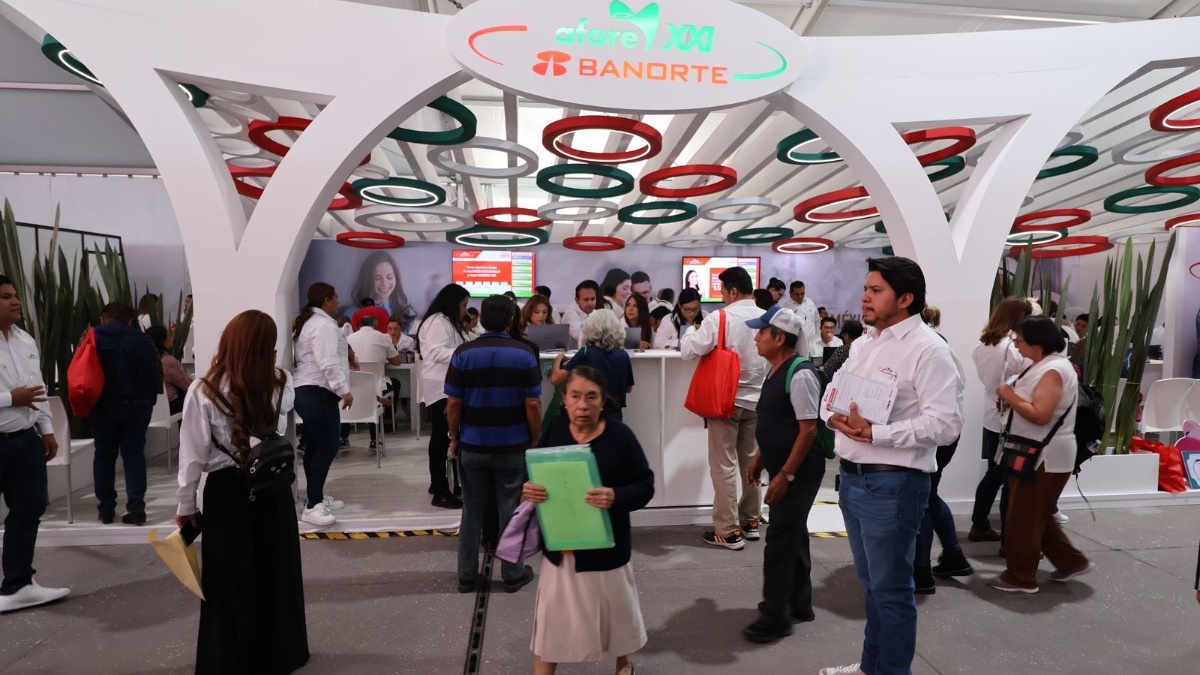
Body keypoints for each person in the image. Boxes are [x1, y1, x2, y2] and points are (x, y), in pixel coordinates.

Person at [818, 257, 963, 675]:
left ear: (905, 298)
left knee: (893, 590)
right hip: (853, 478)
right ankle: (872, 666)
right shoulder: (864, 343)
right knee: (873, 585)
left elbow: (946, 425)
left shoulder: (929, 349)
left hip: (894, 483)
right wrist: (836, 419)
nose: (864, 297)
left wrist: (876, 434)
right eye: (866, 288)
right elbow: (831, 398)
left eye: (876, 290)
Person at [175, 310, 308, 675]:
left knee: (228, 578)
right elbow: (280, 427)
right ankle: (282, 652)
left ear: (228, 341)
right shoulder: (282, 382)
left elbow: (192, 456)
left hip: (226, 494)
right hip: (273, 490)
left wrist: (186, 504)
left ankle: (231, 657)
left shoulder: (203, 390)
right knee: (277, 572)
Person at [524, 366, 654, 675]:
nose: (582, 405)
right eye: (575, 396)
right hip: (561, 548)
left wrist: (615, 496)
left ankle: (624, 664)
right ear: (564, 399)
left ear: (603, 401)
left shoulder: (620, 436)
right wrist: (529, 489)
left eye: (591, 397)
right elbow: (535, 473)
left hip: (606, 551)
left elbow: (645, 486)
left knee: (617, 620)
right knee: (550, 628)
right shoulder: (555, 429)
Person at [989, 316, 1093, 594]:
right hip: (1036, 453)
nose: (1016, 345)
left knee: (1023, 518)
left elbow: (1041, 414)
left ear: (1038, 342)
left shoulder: (1054, 369)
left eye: (1020, 340)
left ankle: (1021, 576)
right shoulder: (1043, 366)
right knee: (1035, 515)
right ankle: (1071, 562)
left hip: (1045, 456)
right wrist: (1009, 400)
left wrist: (1009, 395)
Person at [445, 296, 542, 595]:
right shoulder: (525, 354)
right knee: (510, 510)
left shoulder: (463, 353)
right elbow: (533, 402)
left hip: (473, 445)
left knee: (471, 511)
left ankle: (466, 576)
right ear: (511, 321)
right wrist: (535, 437)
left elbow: (453, 402)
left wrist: (454, 437)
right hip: (512, 445)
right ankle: (512, 573)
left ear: (483, 320)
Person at [741, 307, 825, 644]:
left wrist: (785, 476)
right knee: (793, 534)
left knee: (778, 539)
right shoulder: (775, 370)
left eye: (762, 332)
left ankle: (775, 618)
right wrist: (760, 457)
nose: (756, 338)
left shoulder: (800, 374)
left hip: (799, 473)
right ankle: (799, 604)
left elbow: (808, 430)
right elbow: (775, 420)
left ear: (779, 338)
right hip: (783, 468)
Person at [681, 267, 766, 550]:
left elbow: (689, 350)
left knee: (724, 465)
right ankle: (750, 521)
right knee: (752, 463)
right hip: (758, 400)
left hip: (725, 401)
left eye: (723, 292)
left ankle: (728, 531)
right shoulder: (767, 318)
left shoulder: (720, 318)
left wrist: (690, 332)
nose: (722, 297)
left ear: (733, 291)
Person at [0, 274, 70, 613]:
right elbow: (19, 395)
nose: (15, 301)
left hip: (26, 440)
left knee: (30, 508)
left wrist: (46, 429)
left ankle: (19, 584)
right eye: (5, 296)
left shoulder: (25, 339)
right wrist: (9, 399)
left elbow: (38, 388)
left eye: (15, 294)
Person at [913, 305, 972, 594]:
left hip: (934, 436)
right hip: (942, 436)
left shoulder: (930, 346)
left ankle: (921, 571)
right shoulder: (936, 342)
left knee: (922, 498)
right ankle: (952, 555)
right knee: (928, 494)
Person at [91, 301, 162, 526]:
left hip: (103, 406)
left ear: (103, 318)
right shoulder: (142, 339)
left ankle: (106, 509)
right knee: (134, 455)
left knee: (104, 455)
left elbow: (81, 369)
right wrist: (150, 399)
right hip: (138, 405)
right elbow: (156, 370)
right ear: (130, 320)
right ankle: (136, 508)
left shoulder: (93, 336)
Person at [969, 297, 1033, 545]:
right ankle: (1010, 538)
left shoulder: (982, 345)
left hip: (992, 415)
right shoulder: (1014, 348)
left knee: (995, 472)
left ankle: (980, 524)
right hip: (1012, 417)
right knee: (1010, 479)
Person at [292, 282, 353, 526]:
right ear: (326, 300)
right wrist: (344, 390)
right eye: (336, 296)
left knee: (316, 446)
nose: (338, 301)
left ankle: (314, 497)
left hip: (308, 391)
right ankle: (313, 506)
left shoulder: (313, 322)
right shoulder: (324, 325)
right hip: (317, 391)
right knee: (328, 447)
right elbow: (327, 361)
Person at [417, 283, 471, 509]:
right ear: (453, 302)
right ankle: (440, 491)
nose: (465, 310)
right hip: (440, 385)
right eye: (464, 305)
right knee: (441, 437)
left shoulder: (447, 322)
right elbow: (437, 352)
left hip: (446, 383)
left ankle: (437, 483)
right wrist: (466, 352)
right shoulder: (437, 322)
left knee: (442, 436)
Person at [551, 310, 635, 421]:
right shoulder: (623, 355)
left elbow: (556, 378)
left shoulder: (586, 353)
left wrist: (558, 359)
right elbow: (628, 388)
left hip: (590, 414)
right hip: (615, 415)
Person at [346, 315, 402, 452]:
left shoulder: (348, 338)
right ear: (375, 324)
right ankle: (375, 438)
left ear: (359, 325)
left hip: (352, 386)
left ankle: (342, 437)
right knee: (388, 385)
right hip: (376, 387)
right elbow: (397, 361)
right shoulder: (382, 337)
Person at [348, 250, 412, 322]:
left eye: (389, 277)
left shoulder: (407, 314)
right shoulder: (352, 315)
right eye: (377, 278)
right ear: (367, 280)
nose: (384, 283)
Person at [146, 325, 193, 416]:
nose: (172, 338)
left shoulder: (144, 360)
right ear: (163, 341)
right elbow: (186, 385)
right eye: (169, 336)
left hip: (150, 408)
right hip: (171, 406)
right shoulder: (167, 361)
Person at [778, 281, 821, 358]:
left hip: (813, 344)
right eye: (797, 294)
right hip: (796, 347)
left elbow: (817, 321)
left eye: (802, 293)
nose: (800, 296)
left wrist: (818, 338)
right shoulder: (784, 307)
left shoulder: (810, 302)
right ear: (790, 293)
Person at [562, 280, 600, 348]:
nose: (590, 303)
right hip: (572, 354)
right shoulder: (570, 314)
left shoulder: (596, 313)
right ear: (577, 300)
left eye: (593, 299)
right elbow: (581, 334)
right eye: (586, 300)